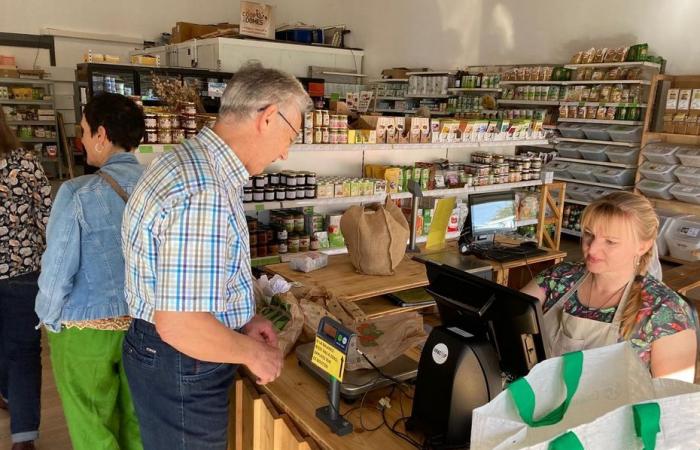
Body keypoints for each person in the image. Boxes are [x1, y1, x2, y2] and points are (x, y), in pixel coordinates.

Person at [121, 63, 312, 450]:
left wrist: (242, 319)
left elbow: (190, 289)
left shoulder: (191, 162)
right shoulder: (202, 191)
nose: (286, 151)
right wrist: (253, 354)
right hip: (182, 359)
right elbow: (180, 325)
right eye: (290, 134)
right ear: (268, 117)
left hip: (165, 352)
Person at [35, 93, 145, 450]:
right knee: (135, 420)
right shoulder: (159, 188)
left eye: (83, 130)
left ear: (102, 134)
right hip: (146, 325)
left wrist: (47, 318)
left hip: (85, 329)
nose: (80, 141)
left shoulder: (76, 193)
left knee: (91, 426)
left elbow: (56, 269)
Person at [522, 191, 697, 382]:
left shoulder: (666, 313)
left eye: (610, 242)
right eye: (589, 234)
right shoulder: (559, 277)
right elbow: (508, 314)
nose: (592, 248)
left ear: (643, 246)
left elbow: (670, 403)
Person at [0, 109, 51, 450]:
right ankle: (24, 437)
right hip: (23, 273)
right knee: (23, 352)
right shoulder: (26, 164)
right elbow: (48, 218)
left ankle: (6, 390)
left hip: (21, 274)